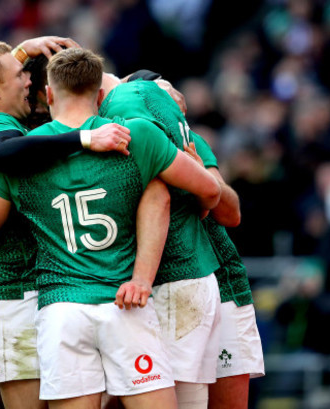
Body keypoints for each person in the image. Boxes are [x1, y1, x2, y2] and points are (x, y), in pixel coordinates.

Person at [0, 47, 223, 409]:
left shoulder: (26, 156)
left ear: (47, 94)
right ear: (102, 96)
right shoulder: (134, 136)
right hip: (125, 301)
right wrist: (200, 202)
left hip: (60, 309)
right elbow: (209, 190)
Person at [0, 39, 133, 409]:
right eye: (19, 74)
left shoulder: (1, 119)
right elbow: (4, 151)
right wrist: (85, 137)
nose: (28, 81)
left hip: (39, 290)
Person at [100, 73, 264, 409]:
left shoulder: (189, 139)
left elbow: (231, 213)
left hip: (219, 282)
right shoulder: (118, 135)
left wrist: (199, 174)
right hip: (156, 287)